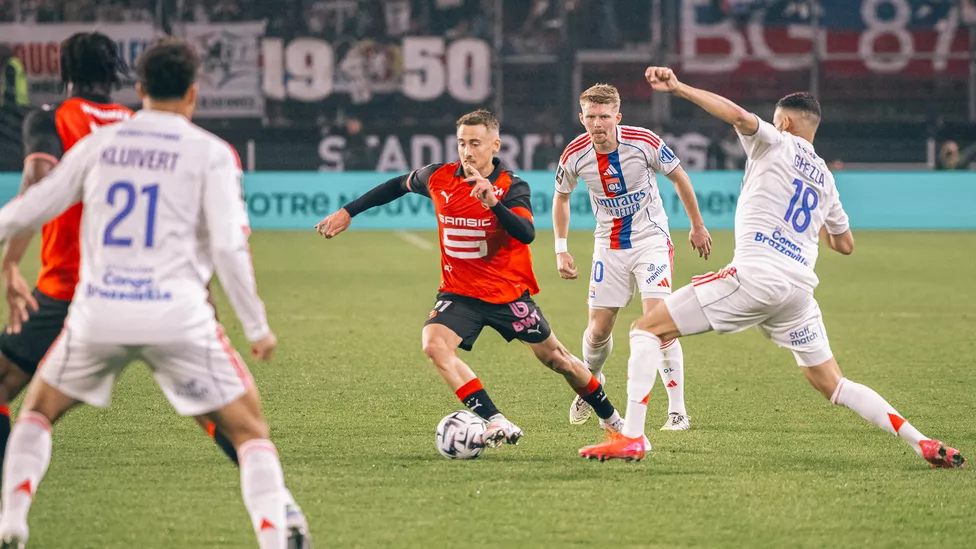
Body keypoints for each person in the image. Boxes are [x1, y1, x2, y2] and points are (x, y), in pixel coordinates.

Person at [0, 40, 312, 548]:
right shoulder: (213, 152)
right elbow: (229, 246)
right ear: (192, 94)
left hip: (98, 312)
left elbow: (34, 205)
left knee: (36, 411)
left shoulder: (100, 145)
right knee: (250, 431)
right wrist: (256, 326)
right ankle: (277, 538)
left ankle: (13, 518)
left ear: (140, 90)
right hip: (177, 317)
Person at [578, 66, 966, 469]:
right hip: (798, 293)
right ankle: (921, 441)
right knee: (834, 384)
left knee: (645, 329)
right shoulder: (827, 179)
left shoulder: (775, 141)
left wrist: (679, 88)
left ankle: (634, 438)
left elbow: (738, 116)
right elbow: (844, 244)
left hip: (756, 276)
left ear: (783, 121)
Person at [316, 109, 625, 447]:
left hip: (507, 295)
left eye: (475, 143)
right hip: (459, 294)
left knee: (559, 360)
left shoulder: (511, 187)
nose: (467, 150)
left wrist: (493, 203)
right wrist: (349, 211)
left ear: (495, 145)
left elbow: (526, 234)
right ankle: (495, 420)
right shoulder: (439, 177)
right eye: (462, 142)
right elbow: (396, 185)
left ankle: (613, 420)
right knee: (434, 345)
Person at [554, 84, 711, 432]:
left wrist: (697, 226)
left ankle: (677, 412)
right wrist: (561, 247)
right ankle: (590, 384)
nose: (598, 124)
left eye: (604, 116)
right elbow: (561, 197)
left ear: (617, 117)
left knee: (659, 322)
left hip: (650, 240)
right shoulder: (574, 155)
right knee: (597, 332)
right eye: (591, 117)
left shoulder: (644, 142)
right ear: (582, 118)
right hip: (608, 246)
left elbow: (679, 177)